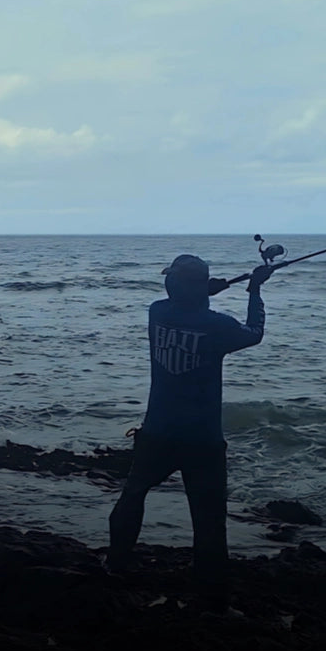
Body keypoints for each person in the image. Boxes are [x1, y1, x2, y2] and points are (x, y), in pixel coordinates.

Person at [106, 254, 271, 602]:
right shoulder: (219, 326)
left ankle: (116, 565)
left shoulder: (157, 313)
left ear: (174, 285)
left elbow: (184, 305)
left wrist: (208, 292)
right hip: (203, 439)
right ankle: (209, 588)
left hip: (156, 432)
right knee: (209, 516)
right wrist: (254, 291)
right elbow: (254, 332)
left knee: (133, 495)